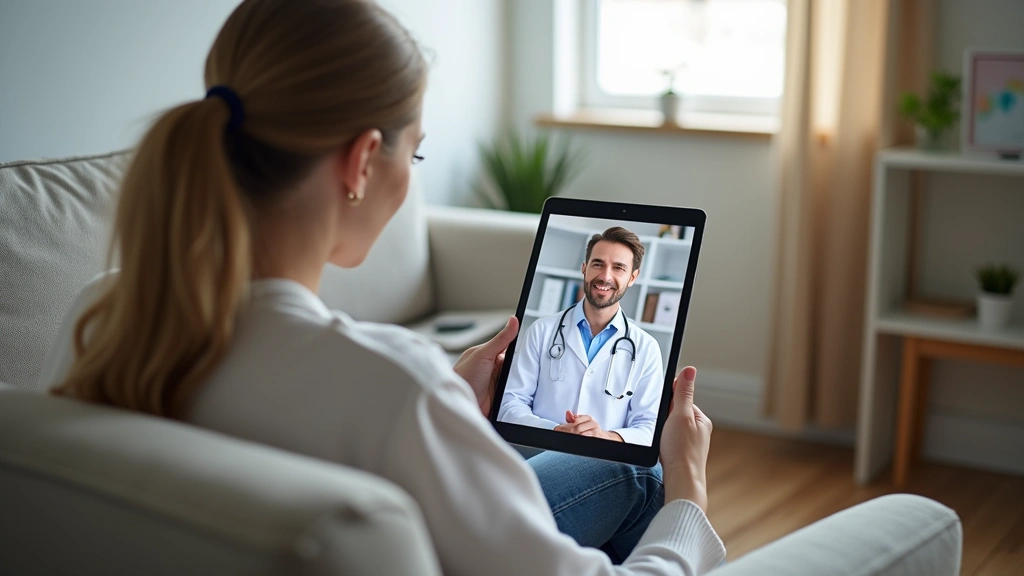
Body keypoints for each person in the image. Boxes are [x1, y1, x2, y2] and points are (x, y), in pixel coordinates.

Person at [40, 0, 724, 573]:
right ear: (364, 160)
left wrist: (453, 398)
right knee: (645, 474)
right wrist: (689, 495)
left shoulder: (103, 315)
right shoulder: (394, 387)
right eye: (416, 153)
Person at [499, 227, 665, 446]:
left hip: (604, 463)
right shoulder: (541, 331)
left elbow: (649, 426)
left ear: (632, 277)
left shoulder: (647, 348)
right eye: (598, 264)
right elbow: (510, 404)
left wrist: (606, 437)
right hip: (539, 449)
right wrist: (555, 430)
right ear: (584, 268)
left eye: (618, 268)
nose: (605, 276)